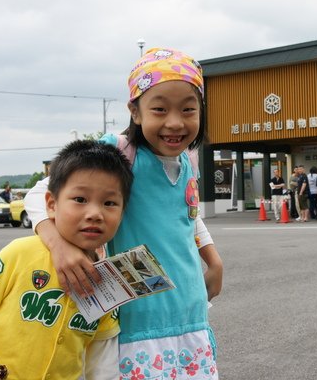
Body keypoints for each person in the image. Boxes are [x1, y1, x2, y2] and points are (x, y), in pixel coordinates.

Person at [25, 48, 222, 378]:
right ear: (135, 111)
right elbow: (39, 195)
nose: (175, 122)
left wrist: (213, 259)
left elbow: (188, 214)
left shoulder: (188, 160)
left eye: (188, 109)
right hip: (135, 324)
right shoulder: (120, 152)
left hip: (190, 316)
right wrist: (60, 247)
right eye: (159, 109)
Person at [0, 140, 133, 380]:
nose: (95, 214)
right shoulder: (20, 252)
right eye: (80, 199)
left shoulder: (109, 282)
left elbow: (102, 361)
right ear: (51, 204)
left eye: (109, 203)